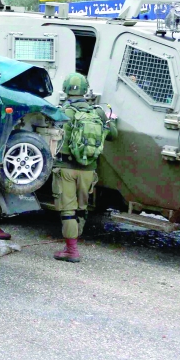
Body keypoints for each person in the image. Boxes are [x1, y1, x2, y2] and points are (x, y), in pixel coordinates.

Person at [52, 73, 117, 263]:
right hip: (89, 169)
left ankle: (71, 250)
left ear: (65, 89)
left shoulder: (62, 111)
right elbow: (113, 134)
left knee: (68, 210)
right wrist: (110, 120)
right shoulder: (97, 112)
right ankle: (73, 243)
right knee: (81, 208)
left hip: (65, 167)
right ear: (86, 90)